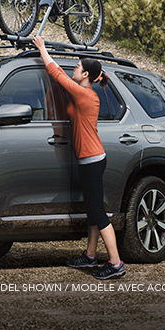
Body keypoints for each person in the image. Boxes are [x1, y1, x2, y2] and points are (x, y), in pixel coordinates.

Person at [32, 36, 124, 280]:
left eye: (78, 67)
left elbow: (56, 73)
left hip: (92, 160)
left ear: (85, 75)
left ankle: (115, 263)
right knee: (92, 210)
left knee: (98, 212)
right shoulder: (84, 92)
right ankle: (91, 255)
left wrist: (42, 48)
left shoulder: (84, 94)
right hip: (90, 159)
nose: (75, 69)